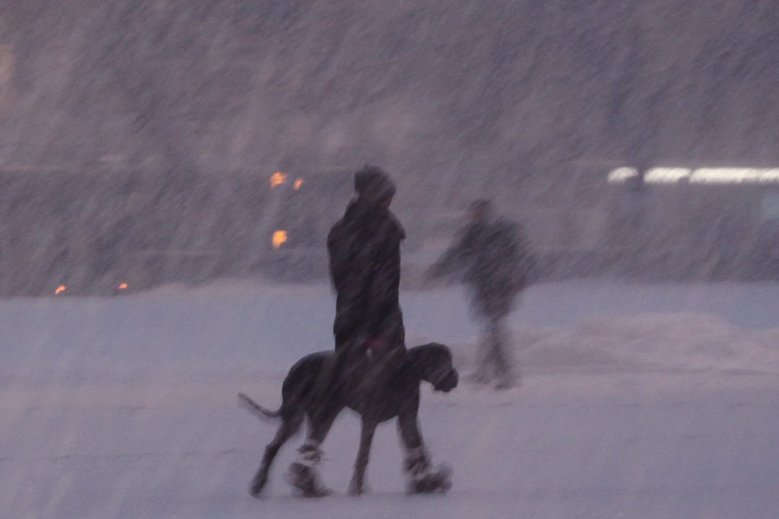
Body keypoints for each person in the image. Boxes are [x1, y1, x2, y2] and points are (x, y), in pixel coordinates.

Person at [428, 199, 534, 389]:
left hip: (493, 285)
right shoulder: (501, 230)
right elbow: (522, 255)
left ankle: (506, 374)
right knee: (492, 326)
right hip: (500, 285)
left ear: (480, 213)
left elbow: (458, 253)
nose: (471, 216)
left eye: (474, 213)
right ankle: (484, 372)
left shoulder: (478, 232)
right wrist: (521, 276)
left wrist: (439, 269)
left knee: (494, 328)